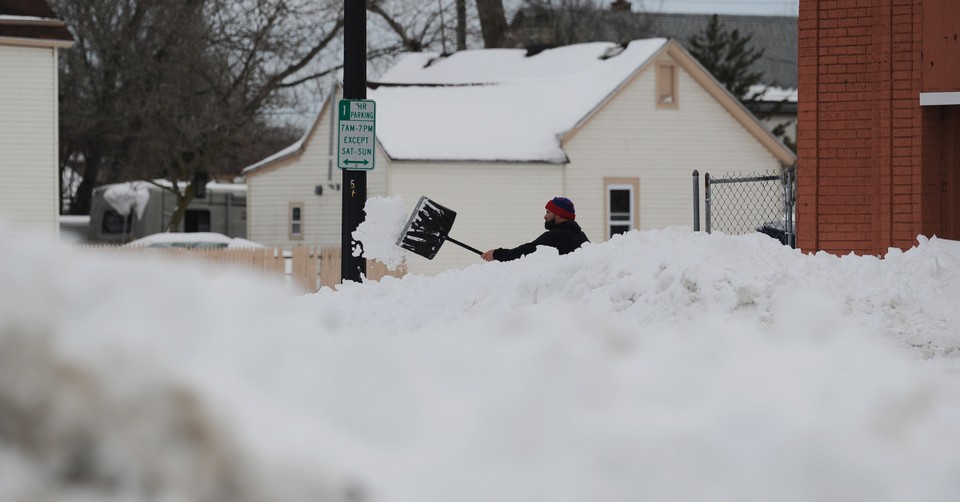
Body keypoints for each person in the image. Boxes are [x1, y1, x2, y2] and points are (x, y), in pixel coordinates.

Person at [482, 197, 589, 262]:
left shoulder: (556, 236)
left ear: (559, 215)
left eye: (548, 212)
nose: (545, 216)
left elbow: (524, 252)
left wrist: (496, 254)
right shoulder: (581, 236)